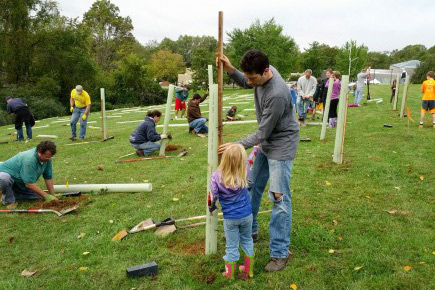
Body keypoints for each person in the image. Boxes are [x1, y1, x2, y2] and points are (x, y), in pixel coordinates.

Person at [218, 50, 299, 272]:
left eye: (253, 78)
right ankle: (250, 230)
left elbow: (262, 133)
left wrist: (238, 145)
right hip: (266, 143)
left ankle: (280, 253)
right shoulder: (262, 73)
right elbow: (246, 81)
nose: (250, 82)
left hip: (281, 145)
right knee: (250, 186)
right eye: (249, 77)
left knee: (279, 198)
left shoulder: (278, 94)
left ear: (266, 72)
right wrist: (231, 69)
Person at [208, 144, 254, 279]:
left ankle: (230, 273)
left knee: (232, 245)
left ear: (224, 159)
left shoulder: (216, 176)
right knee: (247, 240)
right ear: (242, 161)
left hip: (231, 218)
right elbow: (250, 159)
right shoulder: (245, 170)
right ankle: (248, 270)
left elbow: (212, 197)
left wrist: (212, 209)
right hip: (247, 215)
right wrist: (255, 149)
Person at [0, 141, 58, 209]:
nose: (48, 159)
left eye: (50, 157)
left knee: (37, 197)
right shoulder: (29, 160)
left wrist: (52, 195)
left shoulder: (47, 158)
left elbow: (48, 177)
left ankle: (9, 193)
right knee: (4, 178)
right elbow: (29, 184)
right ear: (39, 153)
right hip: (4, 177)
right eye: (47, 157)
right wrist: (47, 196)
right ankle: (9, 201)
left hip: (19, 182)